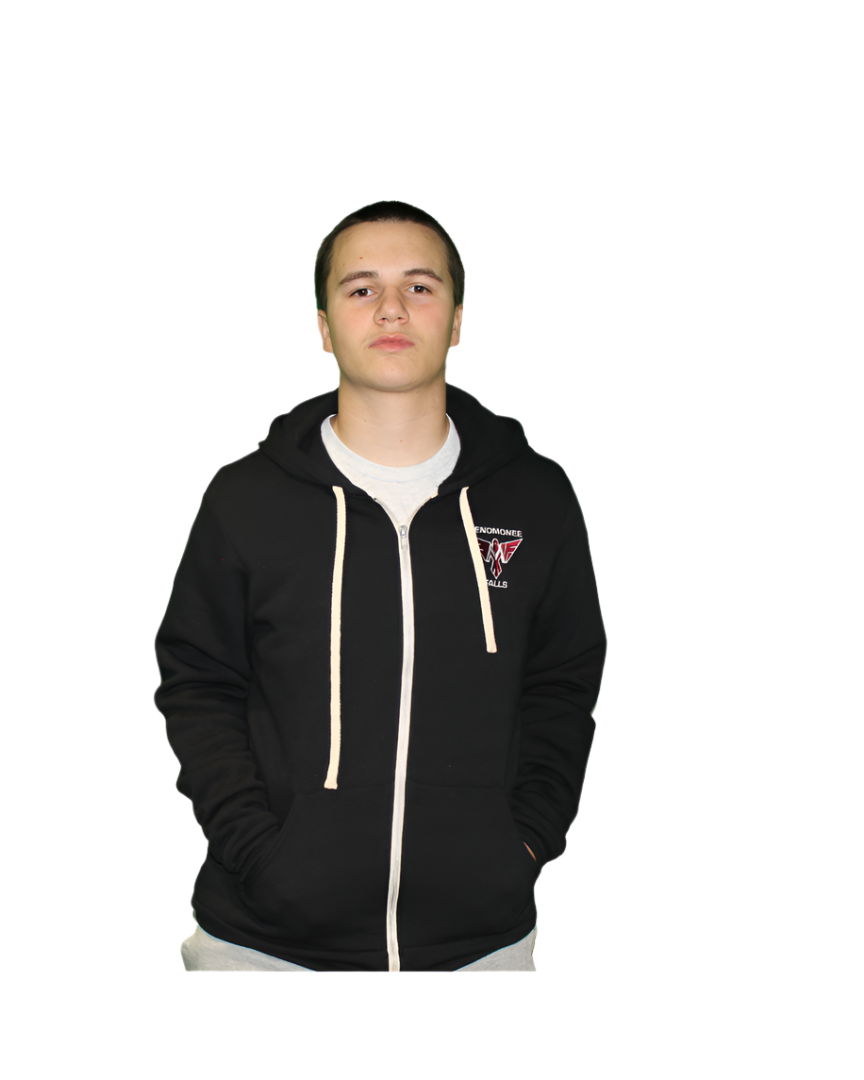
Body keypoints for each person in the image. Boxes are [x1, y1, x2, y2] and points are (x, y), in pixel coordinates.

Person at [154, 200, 606, 971]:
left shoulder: (535, 497)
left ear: (455, 320)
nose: (391, 307)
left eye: (419, 287)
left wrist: (524, 842)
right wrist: (255, 848)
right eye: (361, 288)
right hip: (263, 951)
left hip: (477, 950)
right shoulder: (248, 498)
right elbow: (200, 682)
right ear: (325, 326)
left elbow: (561, 684)